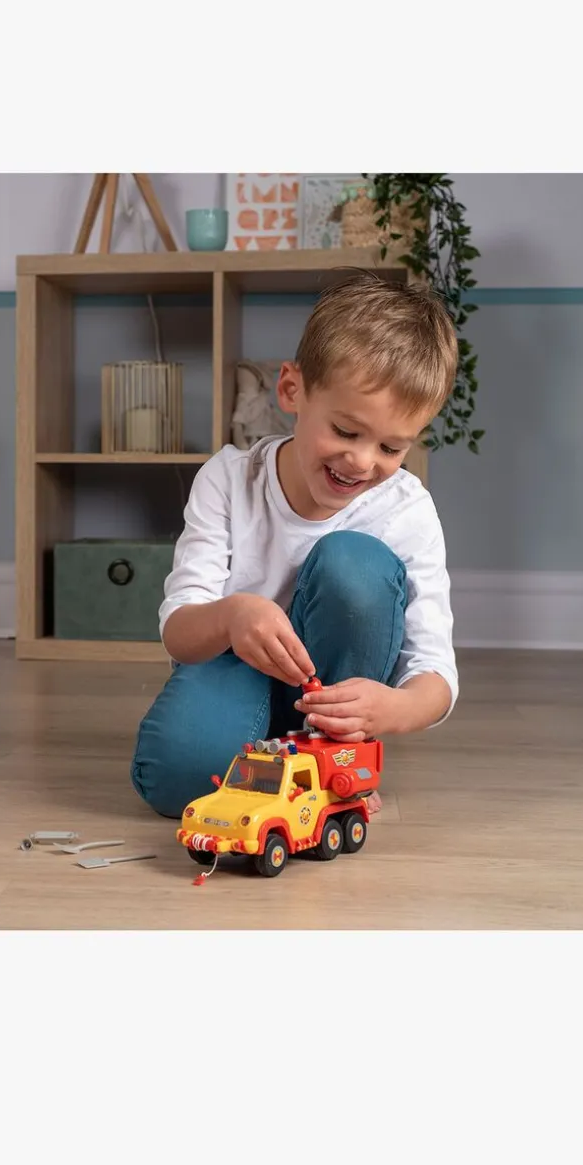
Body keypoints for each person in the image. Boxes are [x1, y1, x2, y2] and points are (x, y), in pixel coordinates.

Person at [130, 270, 460, 819]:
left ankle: (331, 756)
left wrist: (393, 708)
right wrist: (233, 615)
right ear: (291, 390)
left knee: (353, 564)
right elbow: (180, 634)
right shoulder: (227, 480)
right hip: (232, 668)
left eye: (390, 447)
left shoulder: (406, 509)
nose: (362, 461)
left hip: (330, 696)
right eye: (346, 431)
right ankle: (276, 760)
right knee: (177, 781)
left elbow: (435, 673)